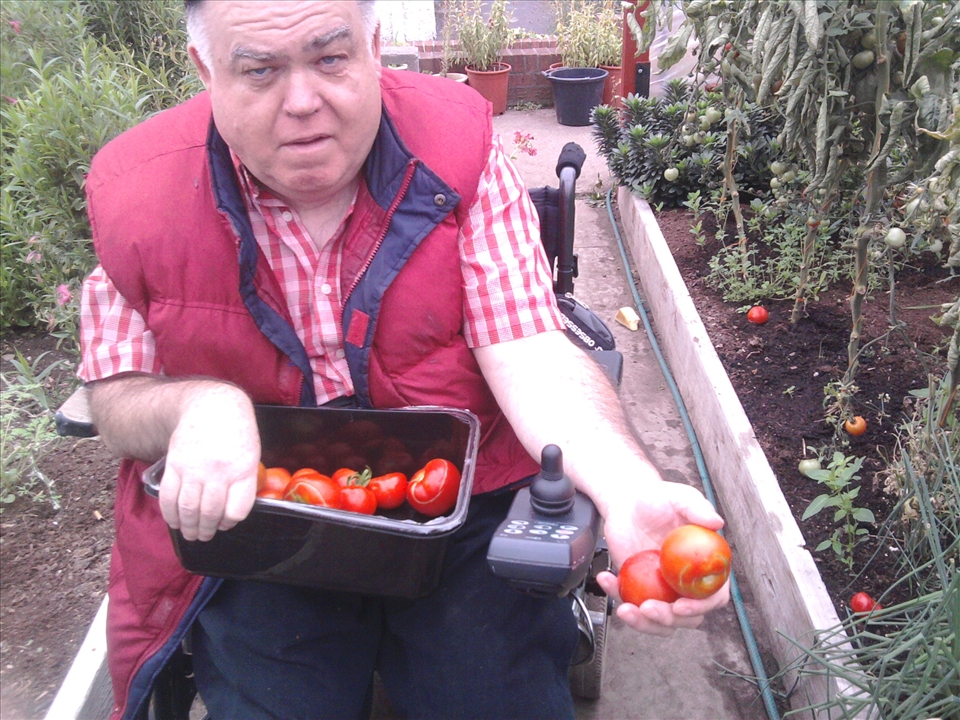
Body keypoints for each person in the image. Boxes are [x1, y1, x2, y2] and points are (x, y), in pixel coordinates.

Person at [78, 2, 729, 718]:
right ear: (206, 70)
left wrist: (627, 487)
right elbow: (115, 397)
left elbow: (528, 346)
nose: (303, 103)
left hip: (465, 507)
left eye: (331, 58)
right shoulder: (137, 197)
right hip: (271, 515)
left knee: (494, 696)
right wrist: (194, 405)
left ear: (375, 47)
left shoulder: (457, 146)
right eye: (259, 70)